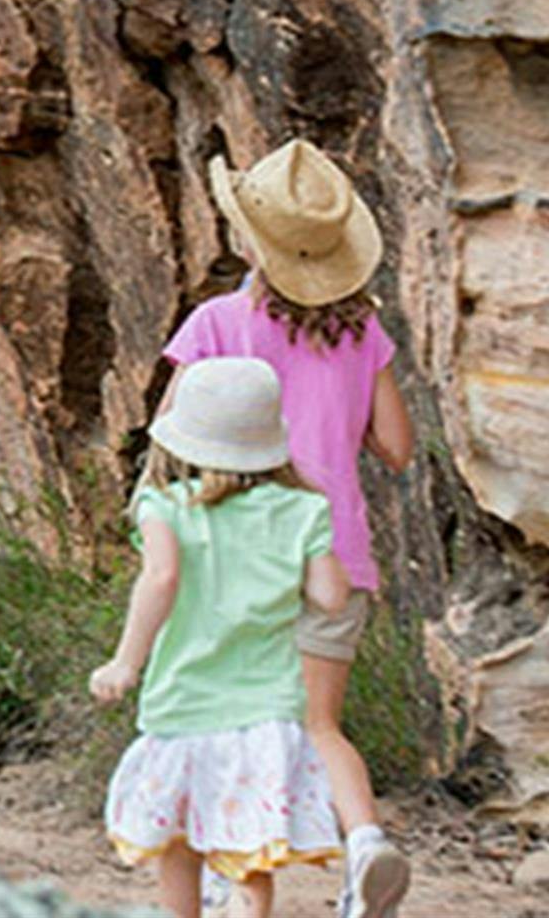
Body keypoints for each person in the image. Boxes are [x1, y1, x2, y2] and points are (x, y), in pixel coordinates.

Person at [160, 139, 413, 918]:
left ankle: (230, 879)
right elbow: (398, 449)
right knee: (317, 724)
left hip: (235, 552)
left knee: (225, 716)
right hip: (339, 549)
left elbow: (169, 433)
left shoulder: (216, 322)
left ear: (248, 240)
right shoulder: (363, 335)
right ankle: (365, 841)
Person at [93, 356, 349, 918]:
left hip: (185, 703)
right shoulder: (304, 509)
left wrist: (124, 663)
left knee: (179, 841)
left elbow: (161, 578)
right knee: (249, 849)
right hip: (267, 709)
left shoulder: (164, 506)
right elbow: (331, 597)